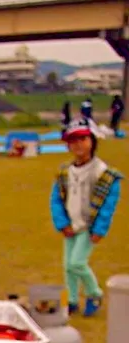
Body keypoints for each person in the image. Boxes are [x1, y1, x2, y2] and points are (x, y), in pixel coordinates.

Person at [50, 117, 122, 317]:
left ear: (92, 141)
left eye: (83, 139)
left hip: (88, 226)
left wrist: (100, 229)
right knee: (67, 267)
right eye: (73, 141)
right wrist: (62, 223)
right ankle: (71, 300)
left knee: (77, 263)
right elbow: (56, 199)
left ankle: (94, 293)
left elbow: (108, 203)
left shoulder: (103, 173)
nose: (78, 145)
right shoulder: (65, 172)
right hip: (70, 226)